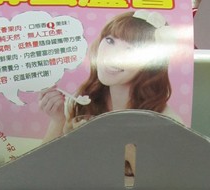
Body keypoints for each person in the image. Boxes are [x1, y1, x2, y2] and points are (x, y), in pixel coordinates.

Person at [38, 10, 182, 143]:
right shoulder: (80, 102)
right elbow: (44, 160)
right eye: (110, 41)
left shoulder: (166, 121)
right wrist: (58, 120)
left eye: (130, 50)